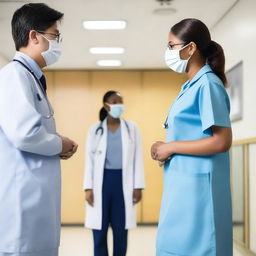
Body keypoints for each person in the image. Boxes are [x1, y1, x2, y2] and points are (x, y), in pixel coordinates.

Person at [0, 3, 78, 256]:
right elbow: (25, 134)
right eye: (55, 36)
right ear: (35, 36)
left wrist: (56, 144)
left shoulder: (30, 77)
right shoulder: (14, 75)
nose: (58, 43)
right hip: (22, 206)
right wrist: (60, 143)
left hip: (33, 201)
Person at [151, 18, 233, 256]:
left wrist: (171, 147)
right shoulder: (189, 87)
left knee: (198, 248)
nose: (168, 52)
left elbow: (221, 141)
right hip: (182, 184)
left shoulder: (208, 84)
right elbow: (188, 133)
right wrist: (164, 149)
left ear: (191, 48)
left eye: (171, 46)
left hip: (199, 190)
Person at [84, 91, 145, 256]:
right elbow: (88, 161)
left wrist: (138, 186)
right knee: (99, 229)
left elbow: (138, 158)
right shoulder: (94, 130)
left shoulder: (132, 128)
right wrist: (88, 187)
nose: (119, 104)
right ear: (106, 105)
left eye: (121, 101)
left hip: (123, 184)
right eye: (114, 101)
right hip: (101, 183)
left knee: (120, 231)